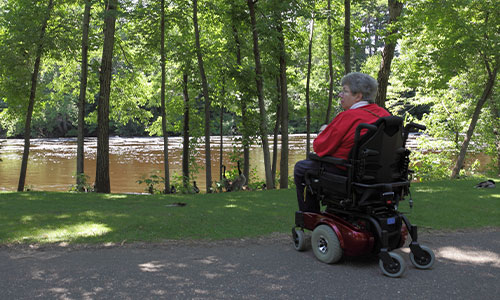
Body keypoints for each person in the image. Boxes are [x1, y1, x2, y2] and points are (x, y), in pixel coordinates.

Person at [294, 72, 390, 212]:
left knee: (301, 168)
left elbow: (320, 148)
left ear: (358, 96)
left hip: (346, 172)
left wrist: (323, 131)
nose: (340, 95)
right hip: (379, 174)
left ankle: (309, 215)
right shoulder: (384, 114)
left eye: (345, 91)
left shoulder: (348, 116)